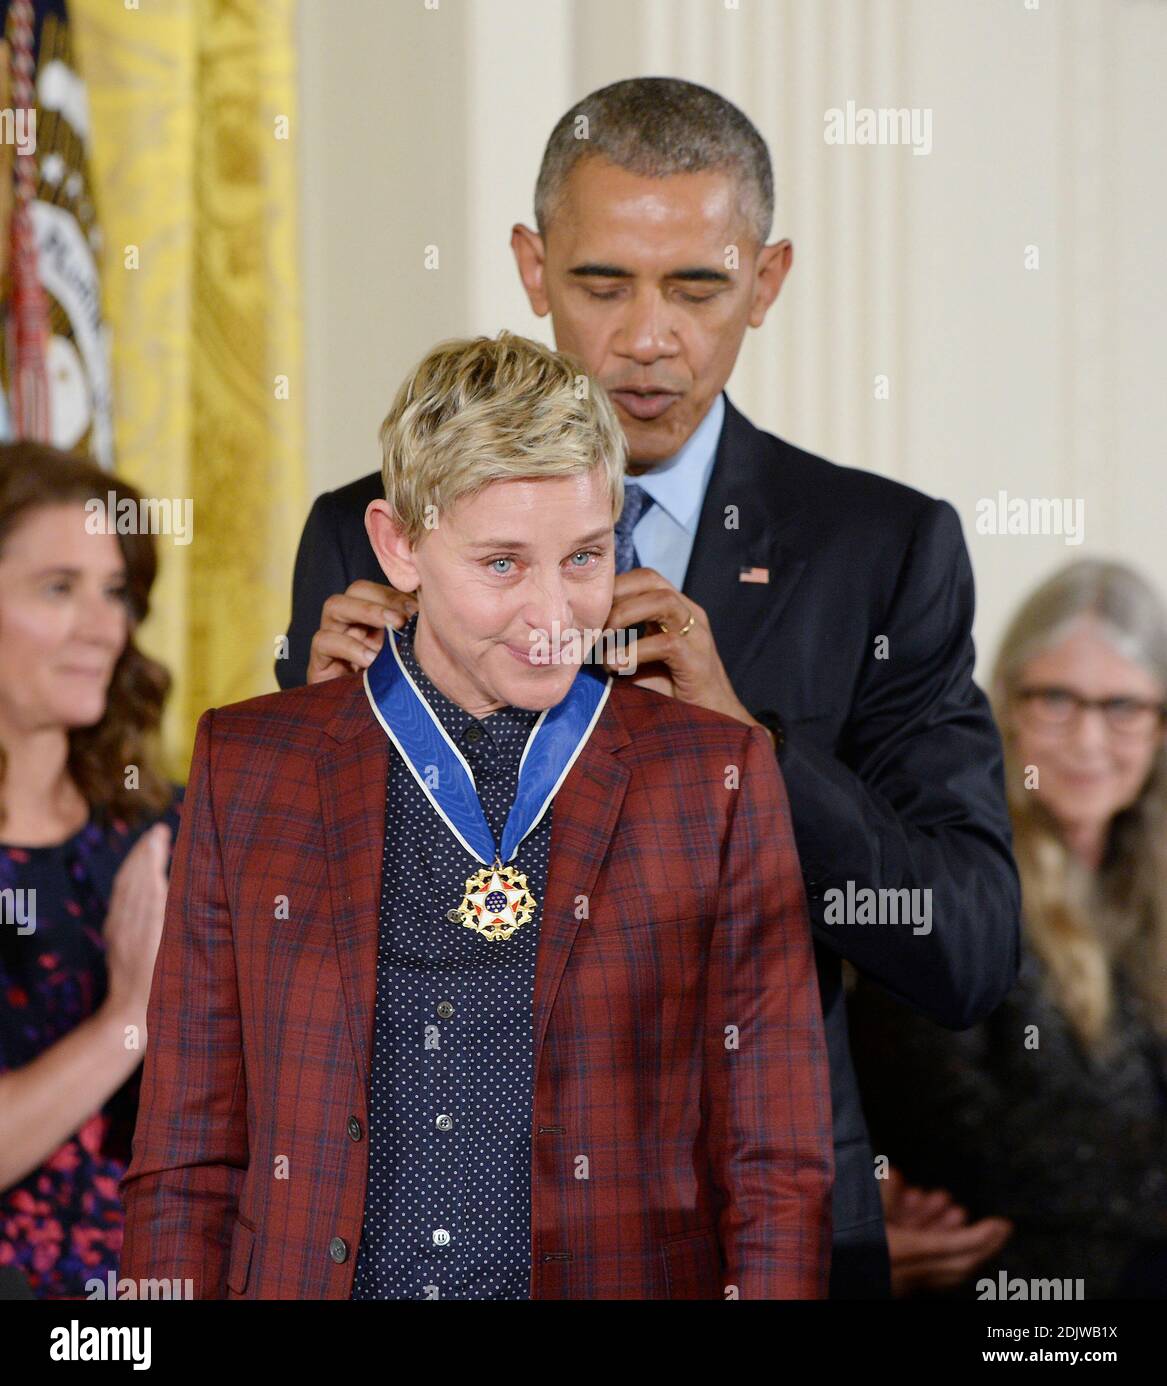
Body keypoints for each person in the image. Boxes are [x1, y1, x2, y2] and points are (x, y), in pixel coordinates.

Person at [277, 76, 1021, 1295]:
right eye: (602, 282)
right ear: (531, 267)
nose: (648, 337)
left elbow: (967, 948)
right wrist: (317, 755)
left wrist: (754, 753)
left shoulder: (880, 549)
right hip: (438, 1218)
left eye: (697, 286)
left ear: (767, 282)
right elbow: (281, 955)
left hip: (758, 1219)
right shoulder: (368, 532)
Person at [119, 332, 833, 1300]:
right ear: (398, 543)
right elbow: (186, 1146)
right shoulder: (250, 762)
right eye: (502, 564)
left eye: (584, 556)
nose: (552, 613)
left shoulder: (715, 776)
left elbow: (776, 1162)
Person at [849, 560, 1167, 1299]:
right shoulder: (948, 874)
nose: (1088, 741)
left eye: (1123, 706)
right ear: (1004, 705)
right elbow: (964, 1145)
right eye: (1055, 698)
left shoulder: (1144, 878)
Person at [0, 442, 179, 1299]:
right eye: (57, 588)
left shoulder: (156, 827)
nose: (103, 627)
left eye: (114, 591)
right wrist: (127, 1023)